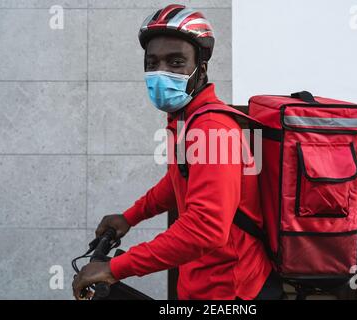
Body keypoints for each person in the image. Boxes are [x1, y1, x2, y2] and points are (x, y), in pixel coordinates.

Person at [72, 4, 283, 300]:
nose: (161, 73)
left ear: (201, 70)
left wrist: (116, 268)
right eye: (152, 62)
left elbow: (205, 229)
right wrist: (130, 217)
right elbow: (178, 180)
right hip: (202, 285)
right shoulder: (188, 118)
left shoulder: (211, 127)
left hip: (230, 292)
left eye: (175, 63)